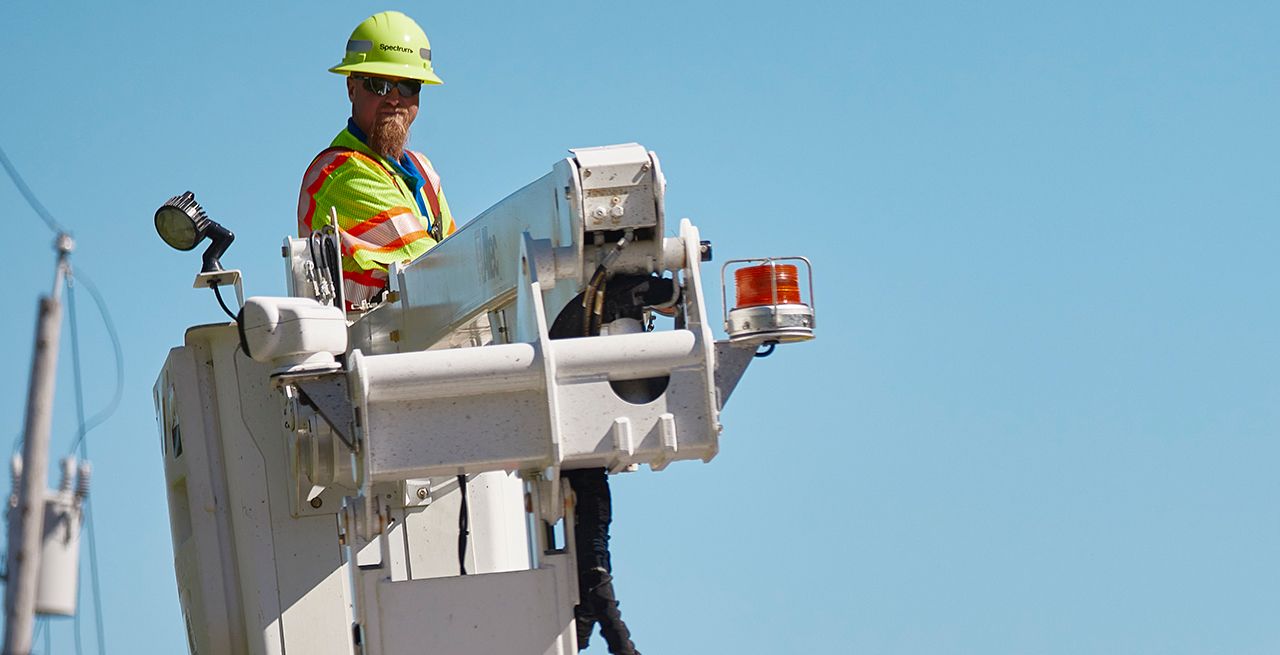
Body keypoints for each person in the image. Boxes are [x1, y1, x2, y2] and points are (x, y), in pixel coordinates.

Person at [298, 11, 456, 310]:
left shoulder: (424, 172)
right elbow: (435, 265)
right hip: (361, 348)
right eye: (378, 84)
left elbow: (458, 259)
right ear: (351, 88)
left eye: (408, 86)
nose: (395, 98)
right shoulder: (340, 173)